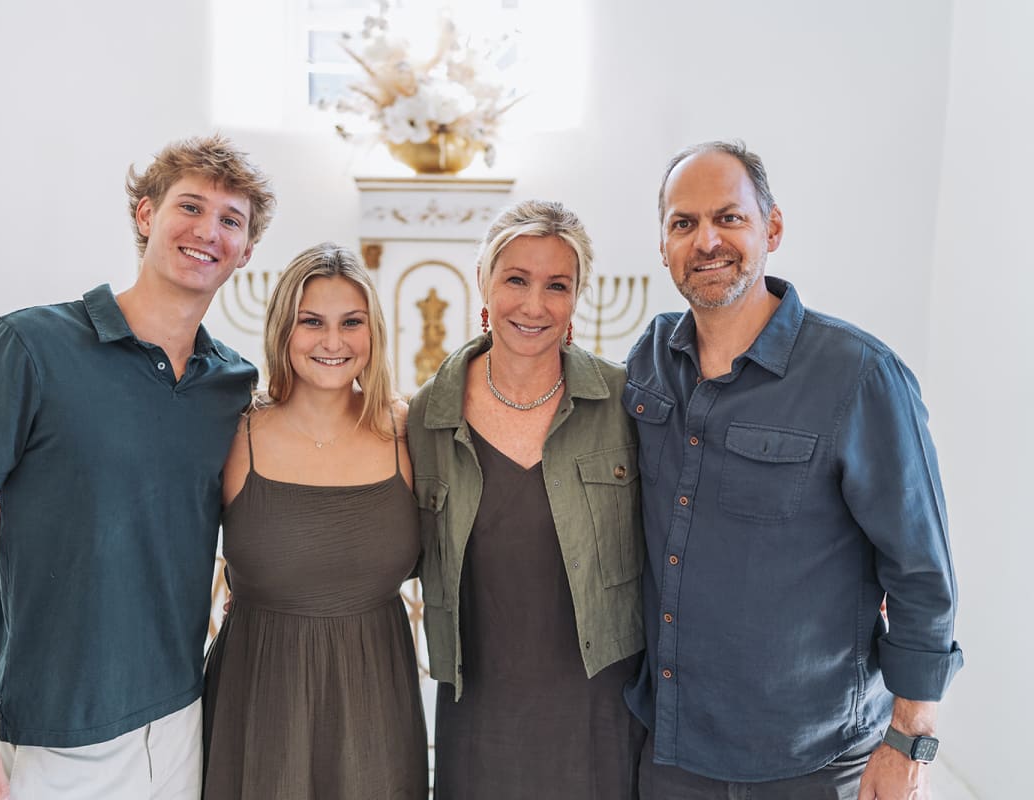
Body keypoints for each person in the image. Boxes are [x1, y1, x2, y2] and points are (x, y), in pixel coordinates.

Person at [0, 135, 274, 800]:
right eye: (189, 207)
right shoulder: (30, 344)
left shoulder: (234, 384)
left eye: (231, 220)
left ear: (247, 252)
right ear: (145, 215)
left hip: (181, 719)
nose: (207, 231)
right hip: (50, 727)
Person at [623, 140, 962, 799]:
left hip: (809, 761)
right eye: (683, 223)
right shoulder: (649, 360)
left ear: (771, 228)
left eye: (730, 218)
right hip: (670, 748)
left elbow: (923, 575)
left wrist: (910, 745)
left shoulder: (860, 377)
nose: (706, 241)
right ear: (663, 244)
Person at [407, 200, 646, 798]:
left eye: (556, 285)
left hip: (601, 707)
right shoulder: (424, 417)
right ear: (484, 283)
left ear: (575, 299)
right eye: (516, 279)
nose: (534, 305)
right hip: (479, 709)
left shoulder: (627, 402)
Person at [202, 242, 428, 798]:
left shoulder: (412, 431)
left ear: (372, 331)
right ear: (284, 330)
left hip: (377, 695)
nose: (333, 341)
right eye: (312, 322)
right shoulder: (234, 432)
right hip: (257, 695)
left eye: (351, 322)